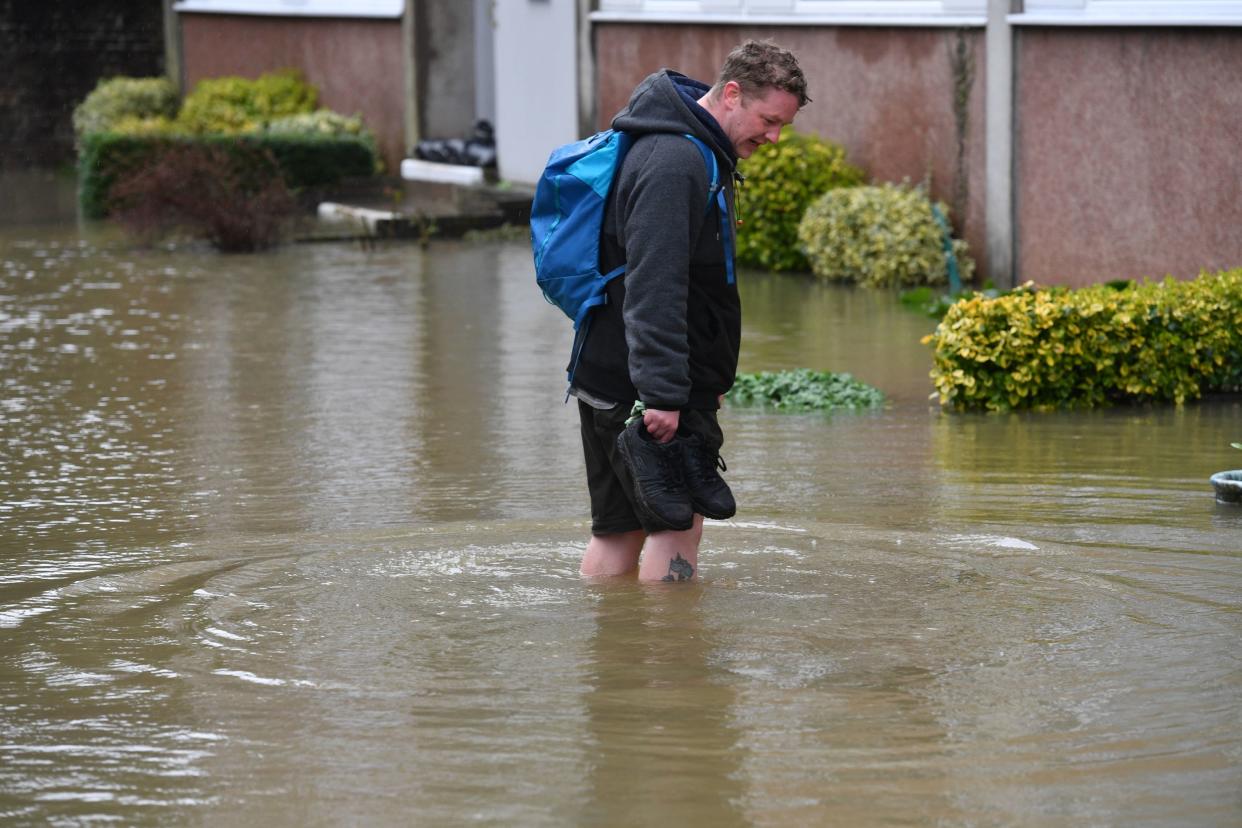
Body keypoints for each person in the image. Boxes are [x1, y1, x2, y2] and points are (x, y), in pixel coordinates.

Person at [570, 40, 809, 582]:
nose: (772, 137)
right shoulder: (678, 161)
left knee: (618, 529)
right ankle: (673, 663)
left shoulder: (676, 146)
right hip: (650, 390)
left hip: (612, 371)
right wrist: (665, 394)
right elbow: (656, 283)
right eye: (768, 120)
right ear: (730, 94)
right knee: (675, 531)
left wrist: (705, 375)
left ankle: (613, 660)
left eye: (782, 127)